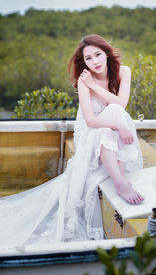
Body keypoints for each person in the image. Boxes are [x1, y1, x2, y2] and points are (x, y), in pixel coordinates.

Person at [0, 34, 143, 246]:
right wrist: (116, 122)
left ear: (106, 53)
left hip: (114, 129)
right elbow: (92, 120)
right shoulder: (83, 81)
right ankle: (120, 182)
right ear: (83, 62)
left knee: (114, 110)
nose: (95, 62)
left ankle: (119, 176)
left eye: (98, 55)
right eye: (88, 58)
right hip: (91, 133)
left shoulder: (124, 71)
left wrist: (95, 87)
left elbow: (121, 103)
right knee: (107, 127)